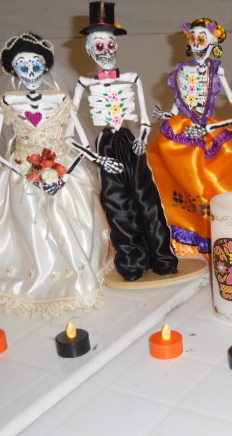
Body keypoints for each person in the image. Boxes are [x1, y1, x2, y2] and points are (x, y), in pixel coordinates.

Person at [0, 32, 119, 317]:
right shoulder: (7, 101)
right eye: (22, 64)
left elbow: (76, 141)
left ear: (46, 65)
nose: (30, 70)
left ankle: (81, 272)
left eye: (36, 62)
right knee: (25, 219)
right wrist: (24, 171)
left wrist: (76, 167)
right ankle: (31, 278)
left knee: (76, 212)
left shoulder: (61, 99)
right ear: (13, 68)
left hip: (62, 167)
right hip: (22, 170)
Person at [73, 1, 179, 282]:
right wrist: (96, 157)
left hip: (131, 142)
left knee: (147, 200)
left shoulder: (132, 78)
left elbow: (143, 118)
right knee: (117, 205)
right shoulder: (84, 84)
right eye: (99, 46)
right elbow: (72, 128)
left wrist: (143, 137)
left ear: (117, 46)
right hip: (106, 145)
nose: (106, 51)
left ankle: (162, 257)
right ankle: (132, 262)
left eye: (110, 44)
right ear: (89, 49)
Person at [148, 17, 232, 259]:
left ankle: (228, 237)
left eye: (202, 37)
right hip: (183, 131)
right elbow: (176, 106)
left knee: (224, 173)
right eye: (193, 37)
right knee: (176, 176)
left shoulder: (217, 70)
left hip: (211, 130)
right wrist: (165, 115)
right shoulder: (181, 71)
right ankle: (184, 234)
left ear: (213, 42)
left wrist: (210, 128)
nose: (196, 42)